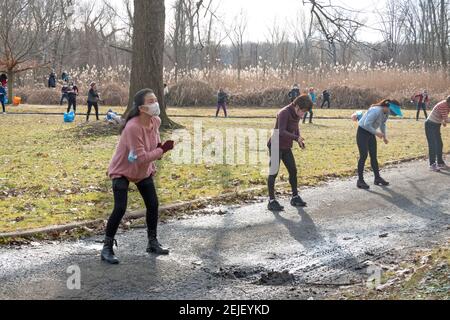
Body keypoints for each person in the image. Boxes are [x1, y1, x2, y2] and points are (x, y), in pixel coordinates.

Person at [101, 89, 175, 264]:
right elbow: (141, 158)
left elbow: (153, 147)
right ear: (142, 107)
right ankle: (106, 248)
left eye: (156, 99)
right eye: (151, 101)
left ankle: (152, 242)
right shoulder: (133, 127)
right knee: (120, 208)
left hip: (142, 171)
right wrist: (162, 150)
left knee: (153, 204)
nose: (155, 103)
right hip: (122, 170)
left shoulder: (155, 121)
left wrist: (158, 151)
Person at [267, 94, 313, 212]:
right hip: (276, 144)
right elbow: (281, 131)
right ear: (297, 106)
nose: (302, 115)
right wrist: (295, 138)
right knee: (273, 173)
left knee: (293, 170)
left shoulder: (296, 114)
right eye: (302, 112)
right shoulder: (284, 113)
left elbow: (295, 126)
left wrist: (299, 139)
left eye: (304, 113)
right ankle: (271, 201)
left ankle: (295, 197)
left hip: (286, 146)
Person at [356, 99, 402, 190]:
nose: (393, 114)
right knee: (363, 156)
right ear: (387, 106)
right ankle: (360, 181)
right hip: (362, 132)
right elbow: (366, 124)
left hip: (371, 133)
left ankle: (377, 178)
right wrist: (377, 133)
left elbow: (383, 124)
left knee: (373, 156)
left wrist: (384, 136)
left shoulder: (386, 112)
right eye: (392, 111)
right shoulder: (375, 110)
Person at [425, 97, 450, 172]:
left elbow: (443, 116)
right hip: (430, 125)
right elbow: (446, 119)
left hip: (436, 125)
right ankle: (432, 164)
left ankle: (440, 163)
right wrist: (444, 120)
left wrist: (443, 121)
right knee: (432, 145)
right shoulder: (443, 105)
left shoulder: (447, 105)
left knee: (439, 144)